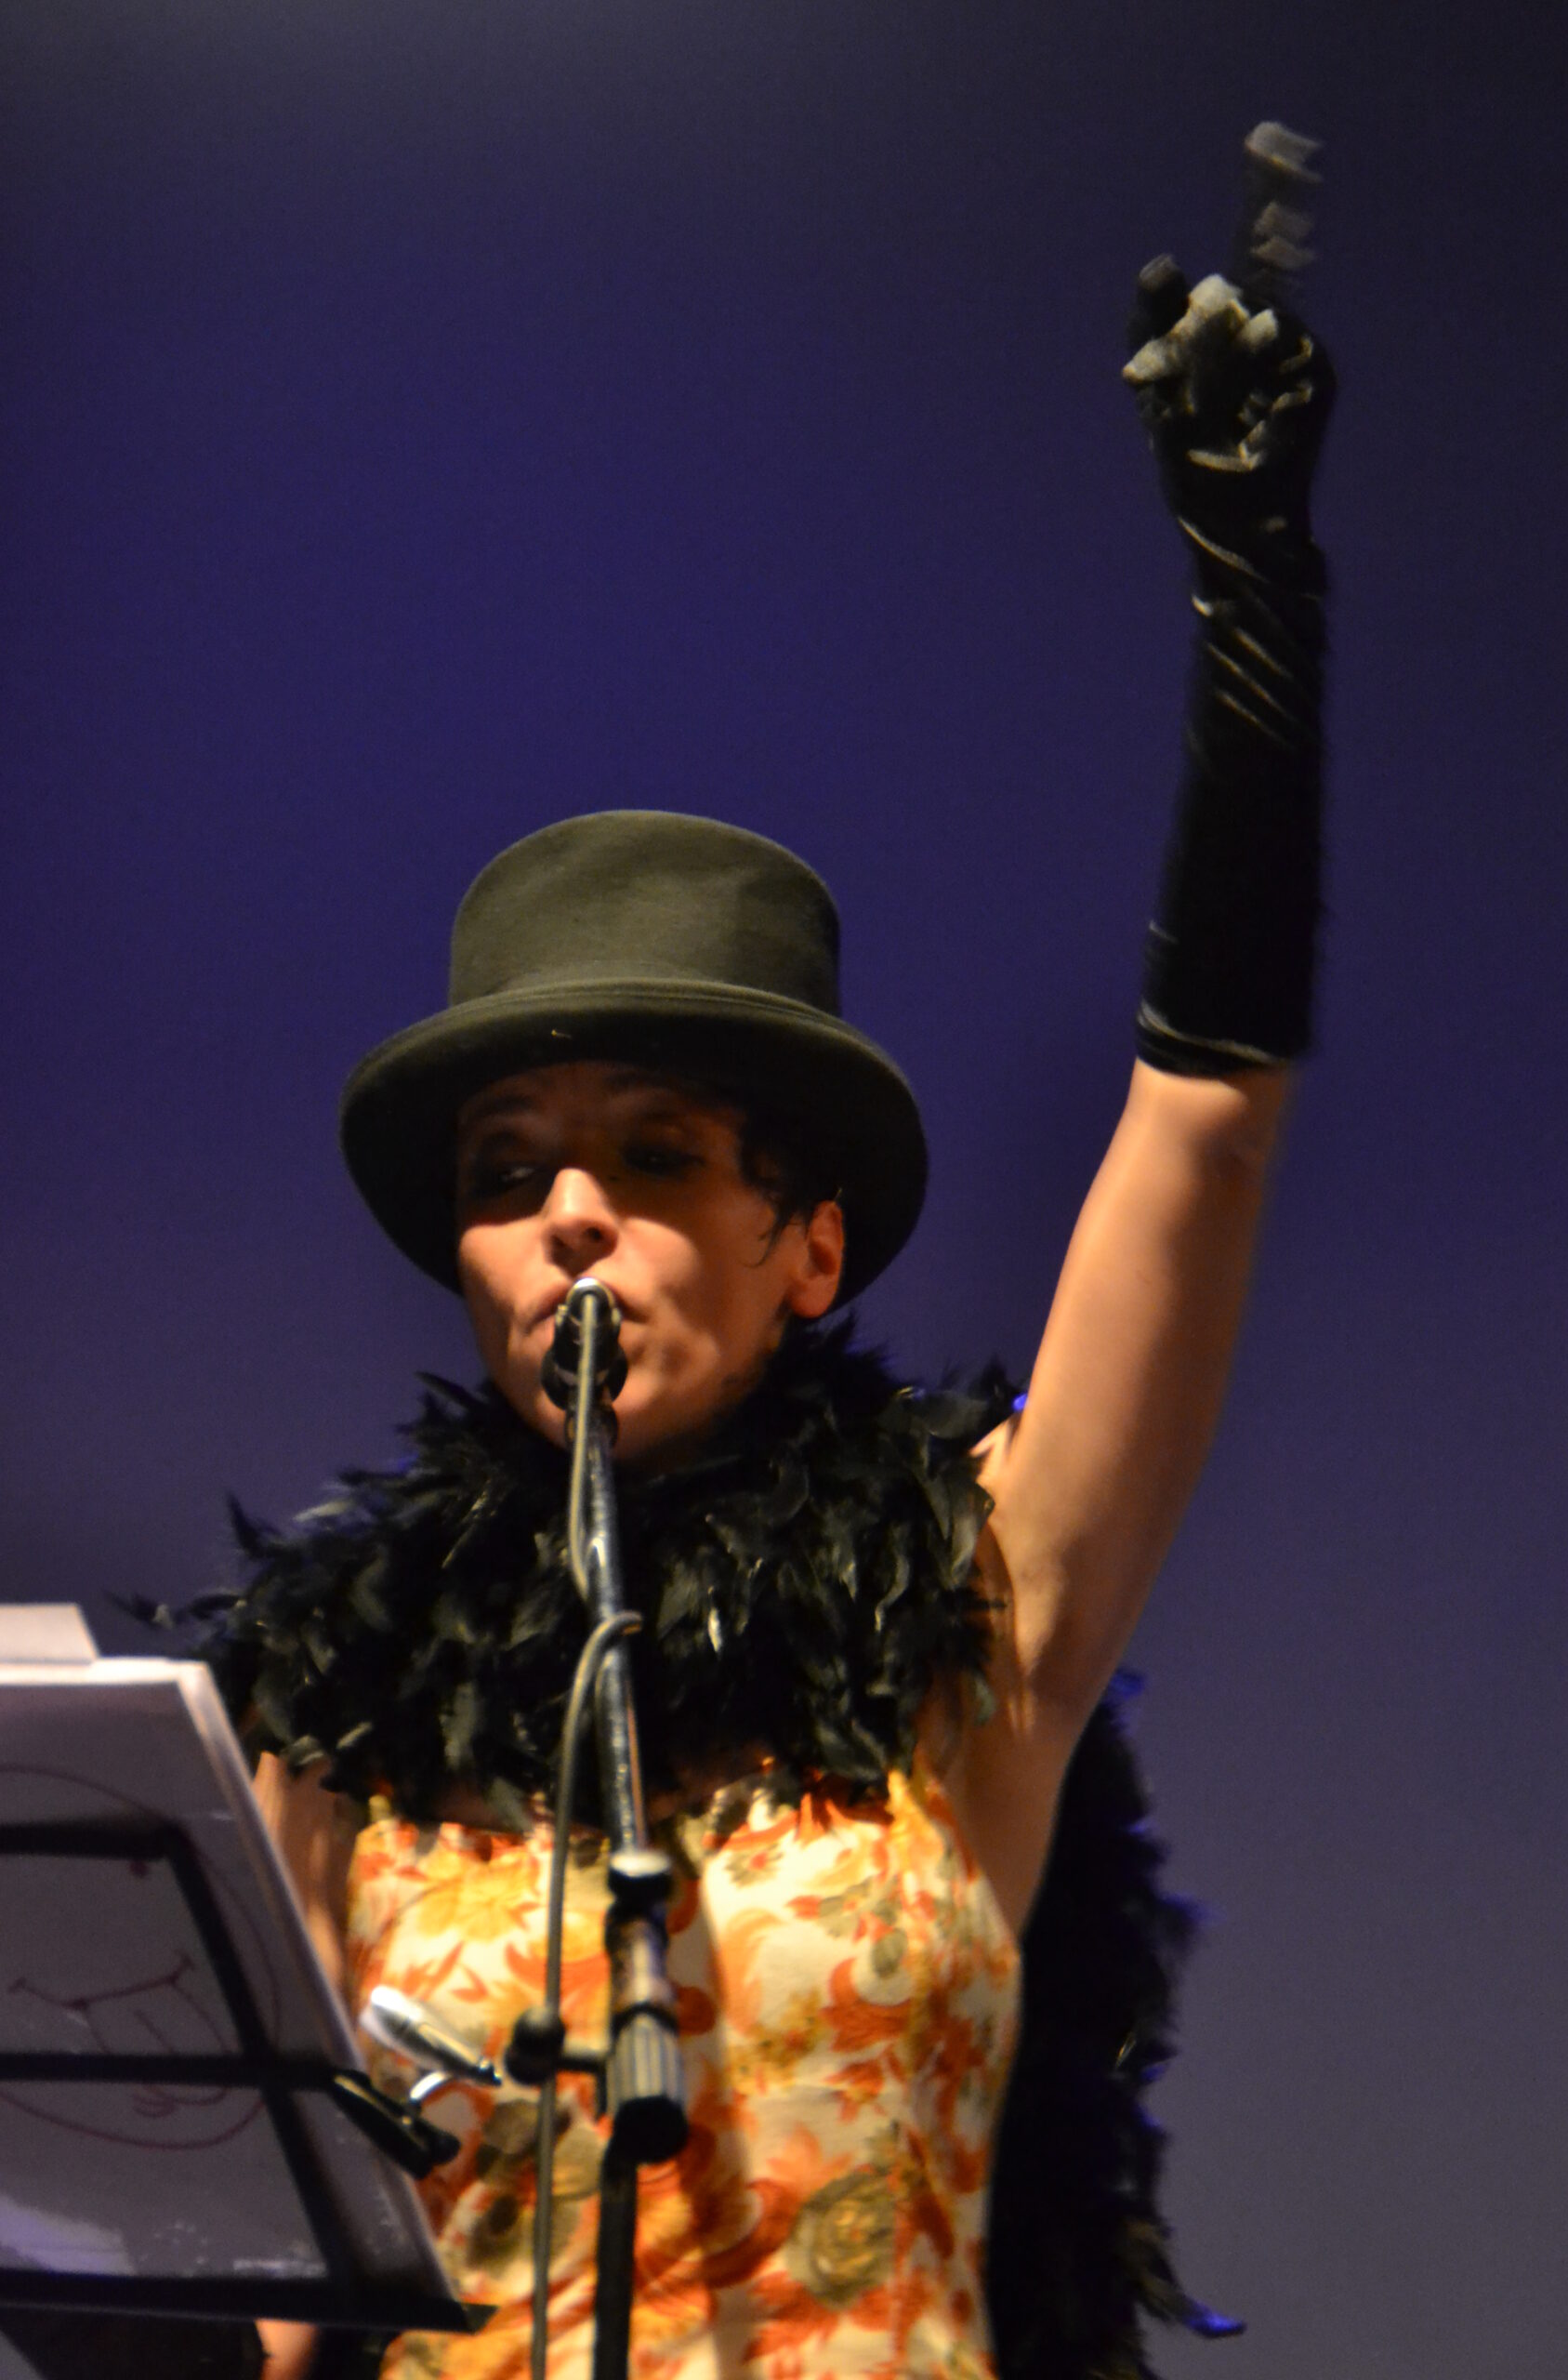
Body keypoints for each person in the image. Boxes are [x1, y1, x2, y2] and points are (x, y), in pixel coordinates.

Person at [218, 251, 1334, 2380]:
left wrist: (1257, 619)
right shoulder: (331, 1713)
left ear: (803, 1247)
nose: (567, 1211)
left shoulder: (967, 1599)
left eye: (651, 1153)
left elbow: (1201, 1135)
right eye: (504, 1171)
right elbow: (240, 2328)